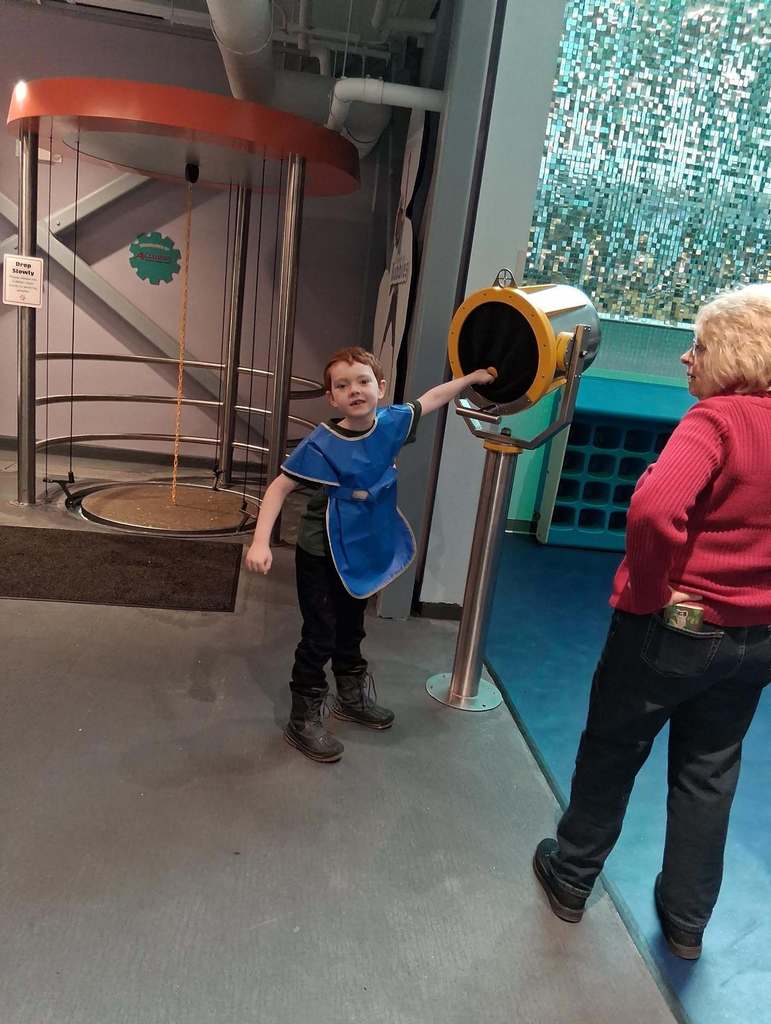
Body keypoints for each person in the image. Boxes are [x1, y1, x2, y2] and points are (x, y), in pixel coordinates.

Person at [533, 283, 771, 960]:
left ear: (734, 353)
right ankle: (687, 921)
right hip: (756, 644)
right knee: (709, 774)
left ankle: (571, 876)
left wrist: (647, 590)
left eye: (697, 345)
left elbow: (654, 508)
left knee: (612, 749)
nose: (685, 359)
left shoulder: (715, 421)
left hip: (676, 627)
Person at [245, 345, 495, 764]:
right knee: (319, 634)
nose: (354, 390)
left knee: (351, 625)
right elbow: (279, 488)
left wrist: (470, 379)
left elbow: (432, 398)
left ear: (380, 387)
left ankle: (350, 696)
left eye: (362, 381)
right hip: (322, 550)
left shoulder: (392, 423)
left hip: (363, 543)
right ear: (332, 398)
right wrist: (259, 541)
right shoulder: (322, 443)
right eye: (342, 386)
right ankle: (303, 717)